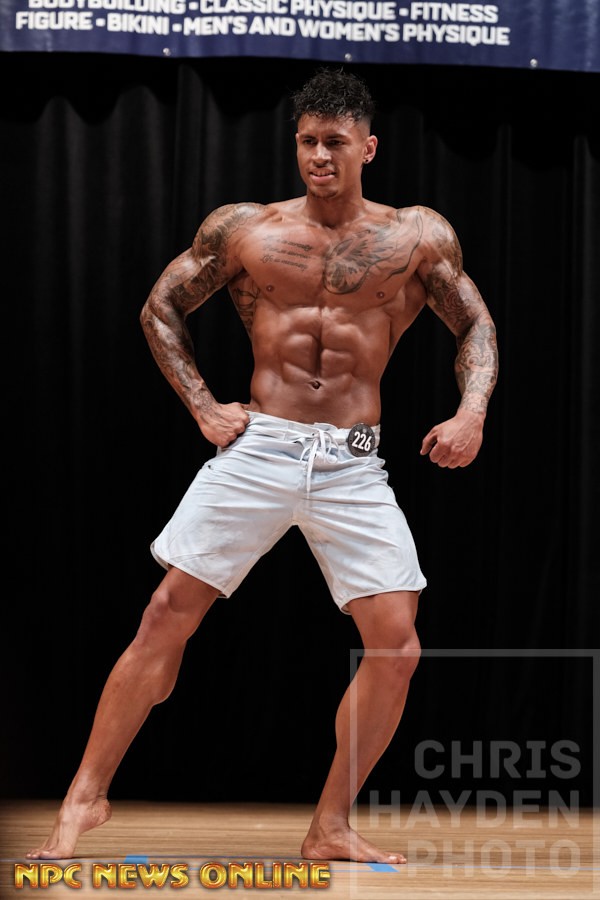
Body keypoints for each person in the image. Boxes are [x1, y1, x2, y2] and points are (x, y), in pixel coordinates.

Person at [27, 66, 498, 865]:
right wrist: (203, 407)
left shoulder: (417, 236)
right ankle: (84, 797)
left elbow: (475, 324)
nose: (318, 156)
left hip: (352, 463)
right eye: (307, 141)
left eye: (335, 142)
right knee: (165, 613)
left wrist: (472, 411)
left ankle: (330, 825)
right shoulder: (247, 229)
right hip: (262, 447)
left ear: (368, 148)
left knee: (397, 645)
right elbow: (161, 306)